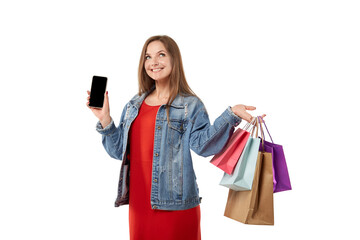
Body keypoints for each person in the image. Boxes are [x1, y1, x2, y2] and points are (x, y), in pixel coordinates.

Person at [86, 35, 265, 240]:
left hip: (175, 205)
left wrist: (230, 115)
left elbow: (203, 146)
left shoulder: (189, 104)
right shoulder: (134, 105)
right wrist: (105, 119)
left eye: (161, 55)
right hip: (139, 205)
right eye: (148, 57)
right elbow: (119, 151)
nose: (154, 62)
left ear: (174, 60)